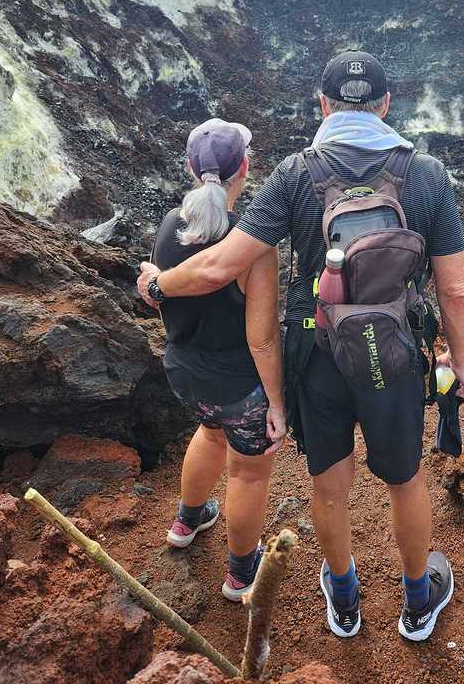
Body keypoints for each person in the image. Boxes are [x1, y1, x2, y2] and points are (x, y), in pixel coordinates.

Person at [139, 53, 464, 641]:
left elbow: (220, 263)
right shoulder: (426, 174)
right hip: (394, 356)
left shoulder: (295, 174)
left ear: (323, 106)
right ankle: (418, 603)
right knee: (406, 479)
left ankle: (344, 600)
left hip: (317, 354)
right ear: (387, 104)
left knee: (328, 485)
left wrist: (157, 284)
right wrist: (459, 358)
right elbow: (455, 285)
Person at [149, 118, 286, 602]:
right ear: (245, 169)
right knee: (248, 471)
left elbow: (162, 295)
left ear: (190, 168)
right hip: (238, 386)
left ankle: (187, 521)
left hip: (186, 372)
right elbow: (263, 339)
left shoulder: (169, 225)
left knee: (208, 433)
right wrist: (276, 403)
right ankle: (240, 574)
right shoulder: (252, 246)